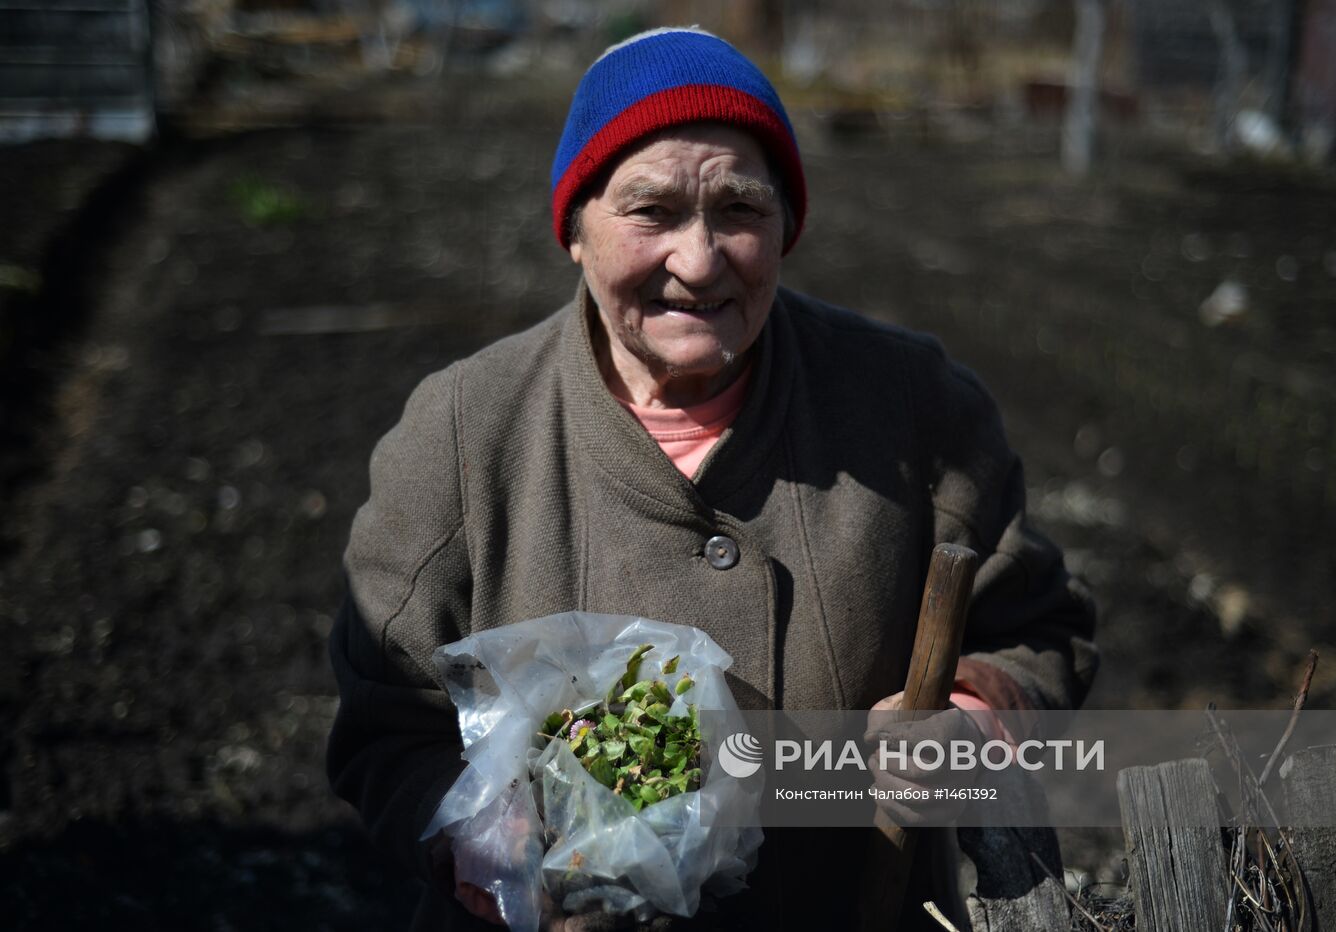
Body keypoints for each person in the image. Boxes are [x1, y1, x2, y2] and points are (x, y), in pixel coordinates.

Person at [327, 26, 1097, 932]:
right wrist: (482, 840)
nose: (698, 261)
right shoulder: (461, 432)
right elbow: (388, 720)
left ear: (785, 225)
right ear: (576, 228)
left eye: (738, 210)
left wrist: (967, 721)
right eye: (651, 213)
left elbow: (1040, 629)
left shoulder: (910, 406)